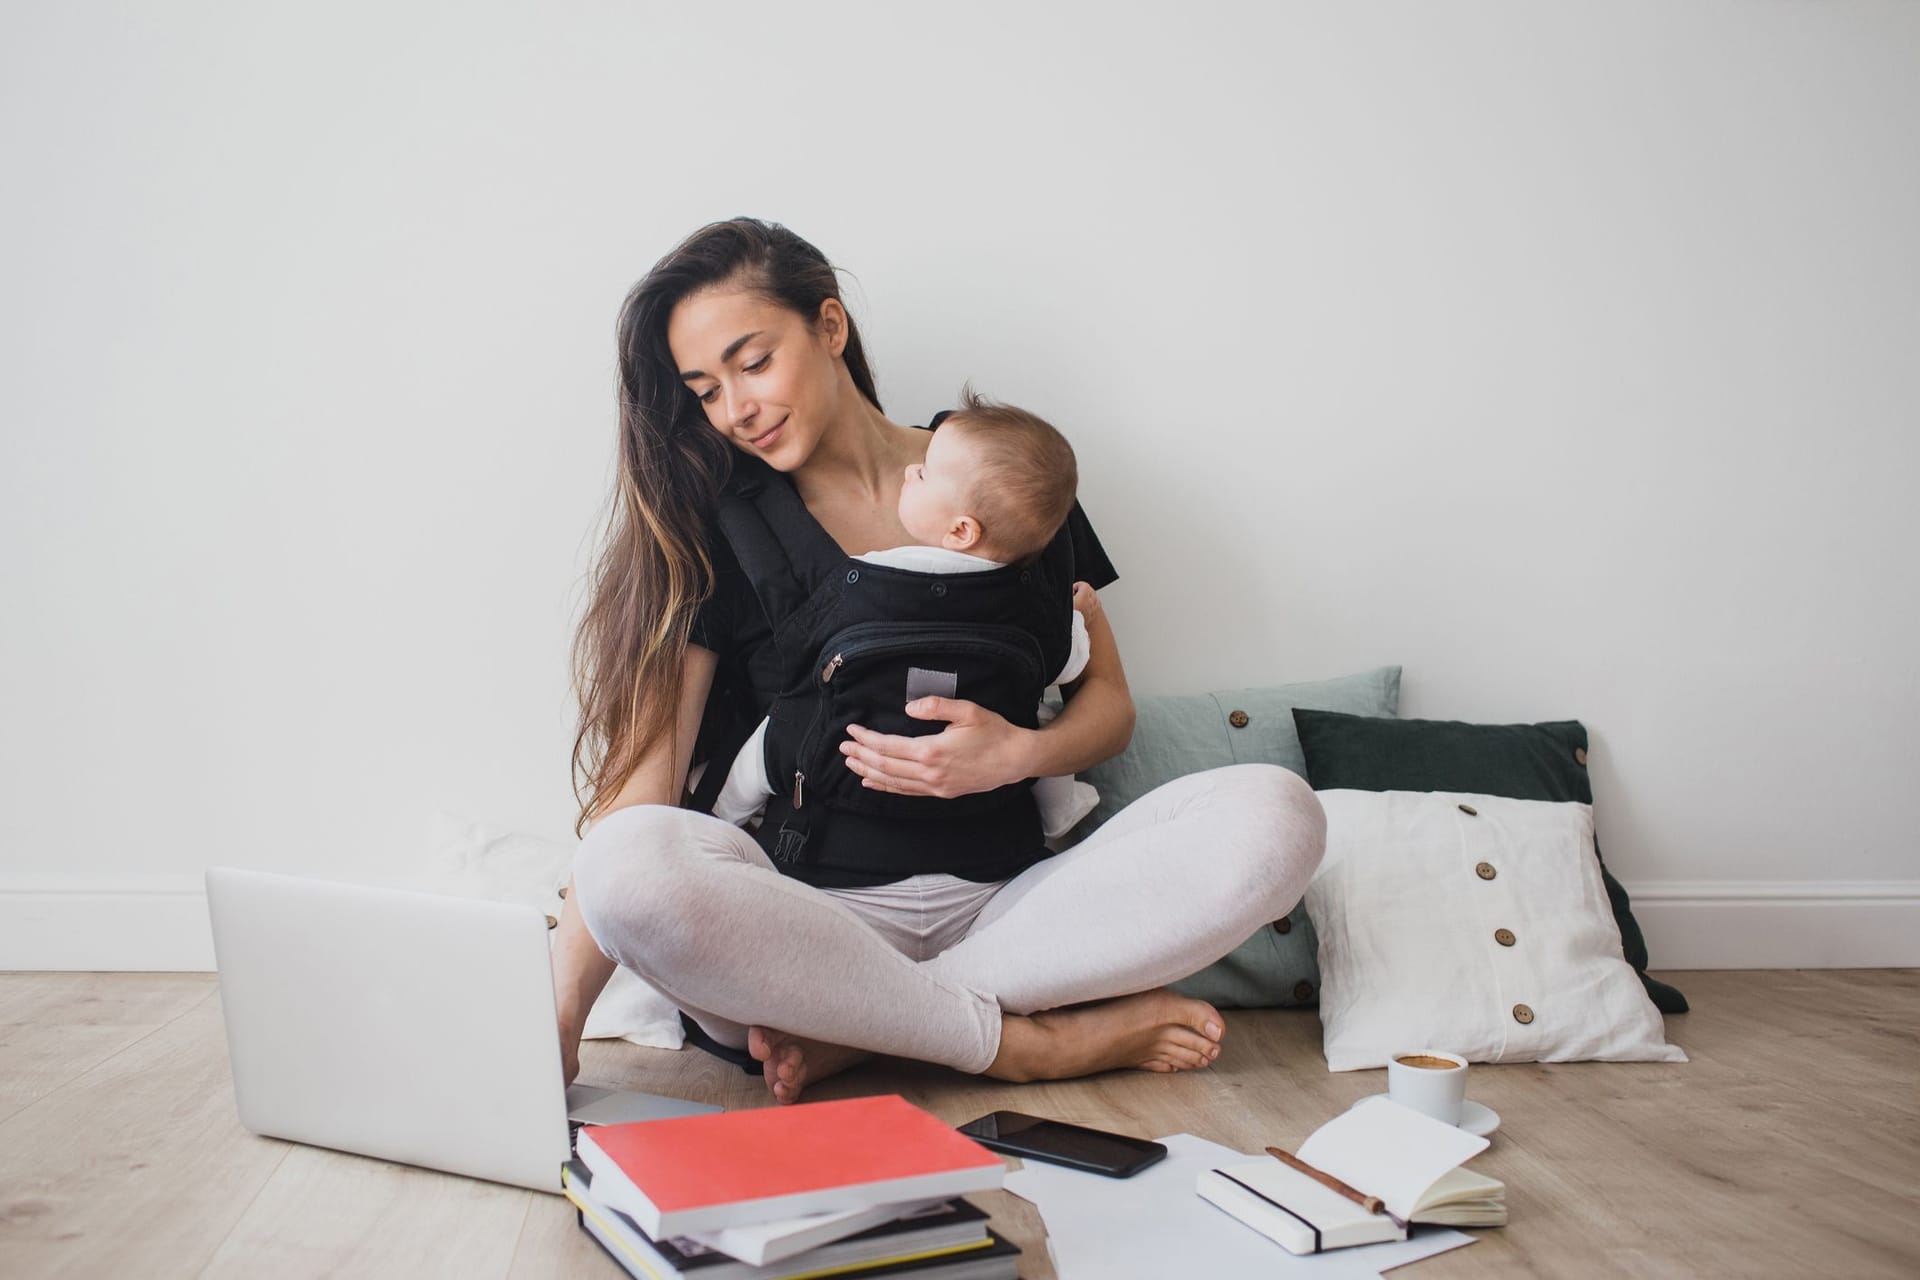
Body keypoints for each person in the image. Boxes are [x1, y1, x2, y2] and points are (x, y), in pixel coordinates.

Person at [557, 217, 1326, 1105]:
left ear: (830, 327)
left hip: (1011, 911)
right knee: (627, 866)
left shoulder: (1005, 475)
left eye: (753, 362)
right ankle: (1016, 1046)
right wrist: (559, 1015)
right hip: (813, 931)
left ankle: (877, 1032)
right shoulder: (720, 528)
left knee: (1279, 812)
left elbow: (1108, 705)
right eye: (704, 390)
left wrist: (1019, 754)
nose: (736, 409)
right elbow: (643, 786)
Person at [707, 390, 1100, 842]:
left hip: (851, 779)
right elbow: (1069, 662)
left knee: (776, 735)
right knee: (1046, 722)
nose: (911, 470)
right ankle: (1060, 813)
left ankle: (722, 815)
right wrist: (1079, 616)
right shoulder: (1035, 599)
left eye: (925, 473)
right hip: (982, 819)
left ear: (960, 530)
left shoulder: (870, 571)